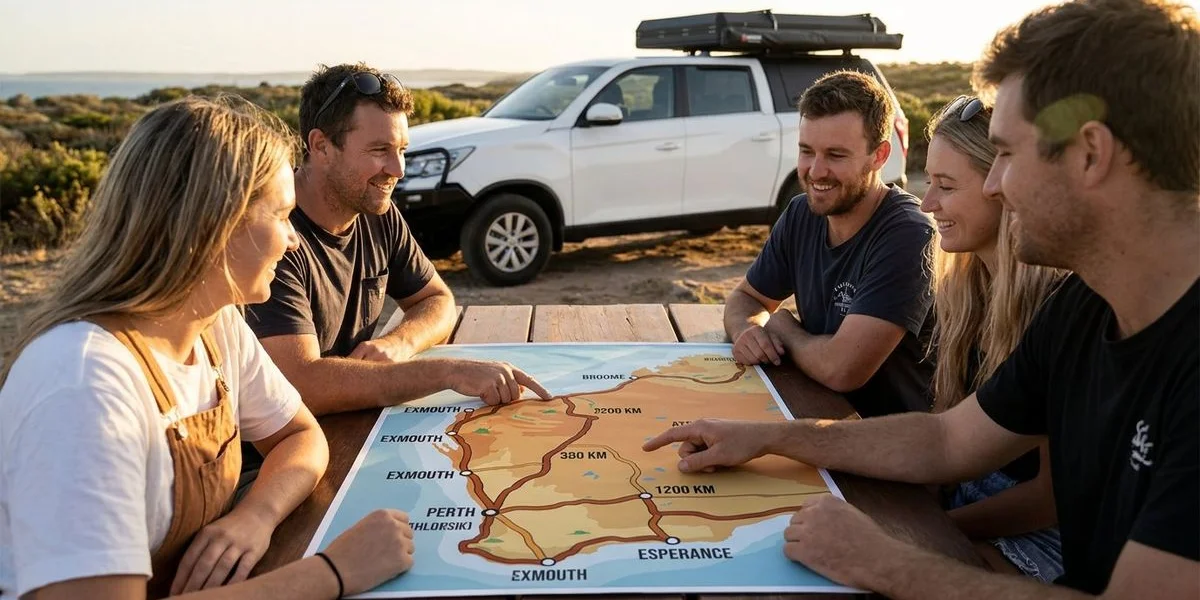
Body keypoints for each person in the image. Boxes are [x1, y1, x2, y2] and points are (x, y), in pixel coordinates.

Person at [645, 0, 1198, 596]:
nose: (993, 186)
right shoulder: (1085, 307)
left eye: (1007, 154)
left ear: (1090, 153)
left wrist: (887, 559)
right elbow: (948, 440)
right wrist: (772, 436)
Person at [0, 96, 414, 599]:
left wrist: (253, 518)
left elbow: (301, 437)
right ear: (216, 223)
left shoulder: (214, 326)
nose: (294, 240)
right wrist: (332, 573)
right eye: (282, 216)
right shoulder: (83, 384)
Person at [245, 63, 549, 416]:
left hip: (346, 426)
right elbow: (301, 385)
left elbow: (437, 299)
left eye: (402, 149)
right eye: (379, 151)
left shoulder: (376, 211)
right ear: (321, 146)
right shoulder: (274, 235)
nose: (398, 169)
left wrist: (399, 343)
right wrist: (449, 372)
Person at [725, 70, 935, 417]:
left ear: (879, 156)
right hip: (821, 413)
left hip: (893, 442)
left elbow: (843, 370)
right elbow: (746, 298)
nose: (815, 171)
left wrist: (785, 329)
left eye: (835, 155)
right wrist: (747, 330)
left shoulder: (909, 235)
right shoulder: (801, 213)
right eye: (807, 151)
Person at [921, 95, 1066, 580]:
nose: (927, 203)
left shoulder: (1056, 305)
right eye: (928, 182)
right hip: (966, 501)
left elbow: (1048, 500)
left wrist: (932, 527)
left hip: (1041, 532)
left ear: (1000, 187)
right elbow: (943, 434)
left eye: (945, 186)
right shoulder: (964, 286)